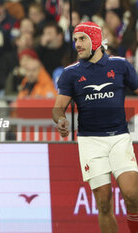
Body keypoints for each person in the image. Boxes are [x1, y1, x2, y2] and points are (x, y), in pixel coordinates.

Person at [52, 21, 138, 233]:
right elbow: (57, 109)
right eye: (75, 40)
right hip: (90, 142)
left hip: (119, 137)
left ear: (96, 40)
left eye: (82, 39)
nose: (77, 45)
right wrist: (61, 120)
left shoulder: (120, 65)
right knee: (104, 203)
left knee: (132, 195)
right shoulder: (71, 73)